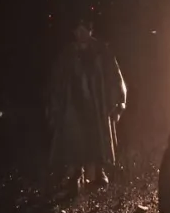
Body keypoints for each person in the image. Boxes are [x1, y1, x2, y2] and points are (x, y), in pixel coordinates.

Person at [47, 18, 126, 190]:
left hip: (97, 103)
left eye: (84, 30)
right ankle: (77, 172)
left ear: (90, 31)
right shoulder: (68, 54)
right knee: (76, 137)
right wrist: (56, 104)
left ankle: (99, 172)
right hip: (75, 102)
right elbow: (58, 79)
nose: (81, 35)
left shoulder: (102, 52)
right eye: (78, 31)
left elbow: (114, 76)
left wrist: (118, 102)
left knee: (96, 135)